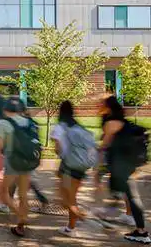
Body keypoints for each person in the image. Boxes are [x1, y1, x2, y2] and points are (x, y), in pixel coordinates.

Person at [100, 95, 150, 244]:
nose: (99, 106)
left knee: (129, 196)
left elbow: (104, 146)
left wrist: (98, 169)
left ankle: (141, 232)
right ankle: (133, 227)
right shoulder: (121, 120)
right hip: (127, 163)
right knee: (120, 192)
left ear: (108, 107)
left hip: (121, 165)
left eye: (102, 104)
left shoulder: (110, 122)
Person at [0, 97, 39, 237]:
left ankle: (22, 216)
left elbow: (1, 146)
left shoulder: (4, 123)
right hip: (28, 162)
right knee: (23, 195)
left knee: (4, 193)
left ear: (6, 110)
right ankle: (21, 227)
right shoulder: (30, 122)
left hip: (12, 162)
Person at [51, 101, 89, 238]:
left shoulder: (59, 128)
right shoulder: (79, 127)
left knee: (64, 199)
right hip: (81, 167)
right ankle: (70, 228)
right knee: (72, 198)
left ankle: (83, 216)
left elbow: (58, 150)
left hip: (67, 167)